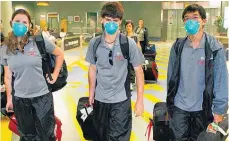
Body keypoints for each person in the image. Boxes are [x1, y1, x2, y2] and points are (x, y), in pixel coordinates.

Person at [166, 4, 228, 141]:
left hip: (203, 109)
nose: (190, 22)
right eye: (187, 19)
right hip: (179, 107)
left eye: (195, 18)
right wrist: (170, 103)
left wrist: (219, 109)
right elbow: (171, 77)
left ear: (204, 21)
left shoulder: (214, 48)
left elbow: (221, 80)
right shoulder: (177, 47)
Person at [1, 9, 64, 141]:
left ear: (29, 25)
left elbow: (59, 54)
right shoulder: (5, 48)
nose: (20, 24)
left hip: (42, 97)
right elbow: (7, 76)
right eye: (17, 21)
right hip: (20, 99)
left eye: (24, 22)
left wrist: (55, 73)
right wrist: (9, 99)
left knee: (46, 135)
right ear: (11, 23)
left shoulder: (38, 41)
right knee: (27, 135)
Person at [85, 2, 145, 141]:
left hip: (121, 101)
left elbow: (139, 71)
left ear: (120, 22)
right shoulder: (94, 44)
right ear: (102, 19)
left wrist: (140, 100)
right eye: (108, 20)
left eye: (115, 21)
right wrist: (91, 94)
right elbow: (92, 68)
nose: (111, 24)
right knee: (101, 137)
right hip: (100, 101)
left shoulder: (128, 43)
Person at [125, 20, 142, 90]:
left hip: (132, 55)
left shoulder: (135, 36)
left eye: (130, 26)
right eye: (127, 26)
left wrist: (140, 55)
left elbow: (138, 45)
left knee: (131, 69)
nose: (128, 27)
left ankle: (131, 83)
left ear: (132, 27)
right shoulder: (123, 36)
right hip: (124, 55)